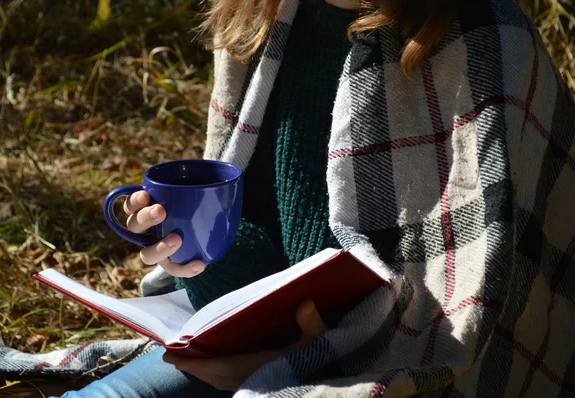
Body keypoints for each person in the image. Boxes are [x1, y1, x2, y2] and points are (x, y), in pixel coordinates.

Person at [61, 0, 575, 396]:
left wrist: (291, 367)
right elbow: (262, 226)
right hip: (251, 344)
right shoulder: (261, 15)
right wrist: (189, 252)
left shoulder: (483, 36)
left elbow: (473, 311)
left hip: (385, 365)